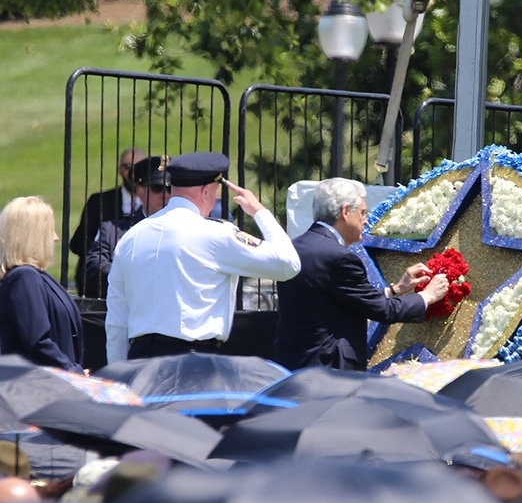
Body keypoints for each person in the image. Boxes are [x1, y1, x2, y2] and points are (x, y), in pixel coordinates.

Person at [105, 151, 302, 361]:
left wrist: (119, 377)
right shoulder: (217, 234)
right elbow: (288, 264)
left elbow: (116, 322)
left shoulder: (131, 238)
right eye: (216, 191)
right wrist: (260, 212)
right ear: (206, 191)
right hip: (194, 363)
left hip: (139, 363)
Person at [273, 178, 449, 372]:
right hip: (329, 372)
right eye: (363, 213)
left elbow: (335, 299)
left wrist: (395, 289)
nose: (366, 220)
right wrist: (428, 296)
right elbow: (384, 311)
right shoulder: (338, 257)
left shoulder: (294, 246)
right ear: (345, 212)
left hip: (292, 365)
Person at [0, 196, 84, 372]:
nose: (56, 238)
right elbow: (36, 341)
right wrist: (72, 371)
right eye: (49, 230)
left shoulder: (32, 276)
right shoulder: (24, 278)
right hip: (41, 388)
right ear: (33, 236)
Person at [83, 155, 170, 298]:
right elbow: (94, 267)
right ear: (140, 191)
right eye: (157, 188)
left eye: (171, 189)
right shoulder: (113, 229)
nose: (166, 195)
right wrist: (134, 278)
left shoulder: (191, 230)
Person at [70, 147, 146, 296]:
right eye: (129, 167)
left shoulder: (154, 203)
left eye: (140, 167)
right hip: (100, 286)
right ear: (119, 170)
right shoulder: (100, 202)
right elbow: (77, 244)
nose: (133, 173)